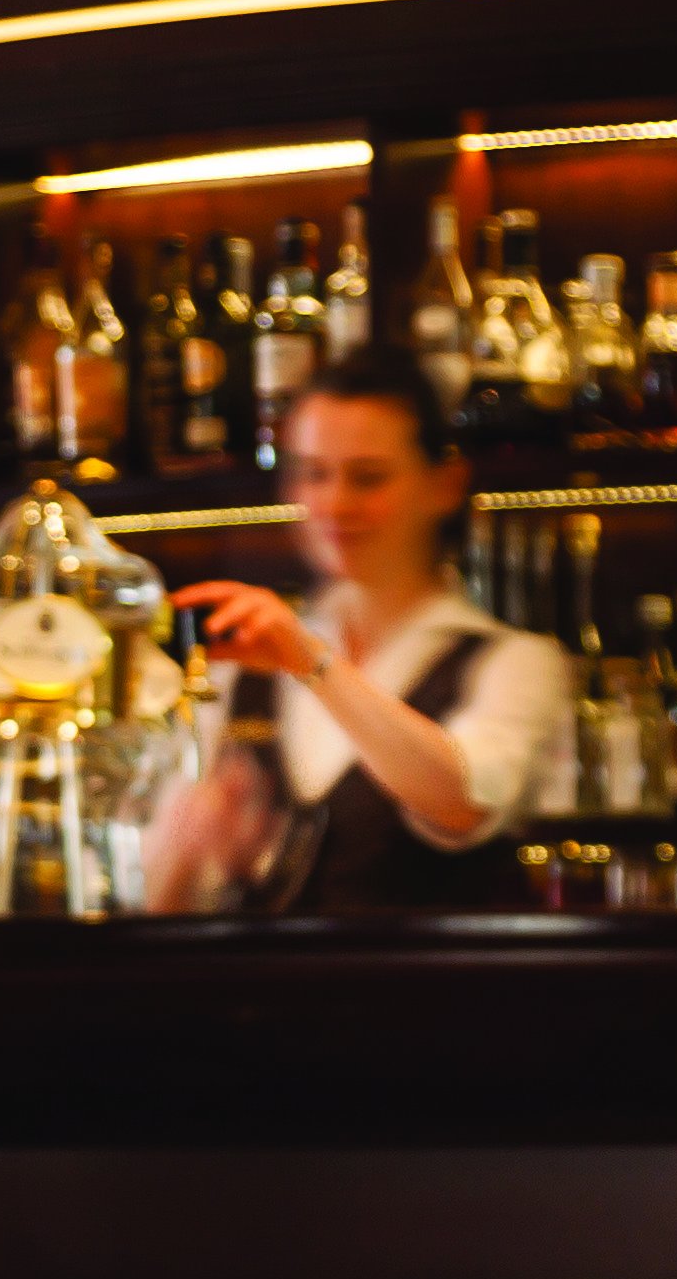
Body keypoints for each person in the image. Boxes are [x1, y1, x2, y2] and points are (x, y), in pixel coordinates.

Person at [142, 346, 572, 911]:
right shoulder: (241, 668)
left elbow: (464, 803)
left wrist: (311, 662)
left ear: (445, 484)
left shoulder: (514, 662)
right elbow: (158, 903)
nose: (336, 503)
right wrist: (193, 845)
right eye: (315, 474)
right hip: (259, 998)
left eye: (368, 478)